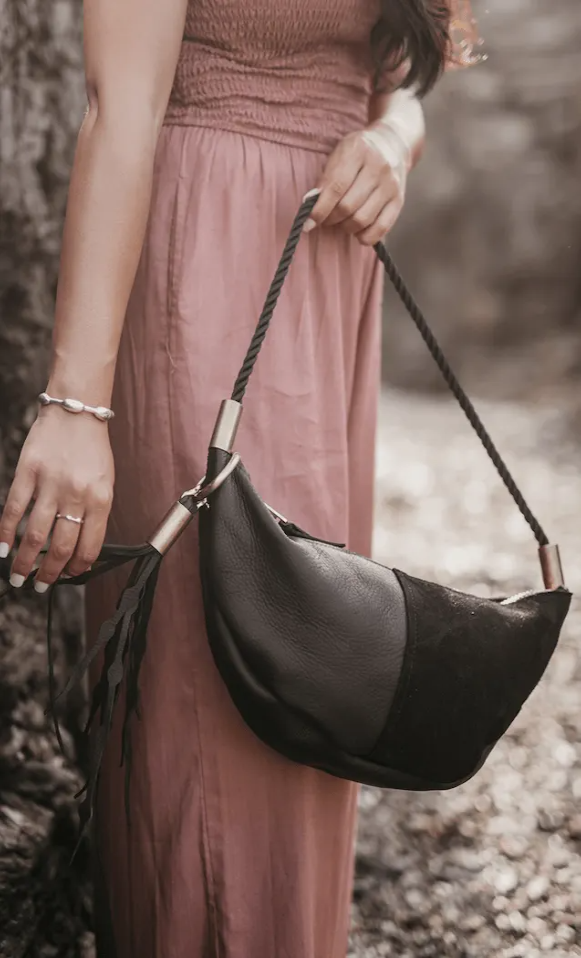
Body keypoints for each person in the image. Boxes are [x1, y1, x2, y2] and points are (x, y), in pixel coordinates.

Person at [0, 1, 478, 955]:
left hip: (326, 275)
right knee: (215, 675)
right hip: (203, 259)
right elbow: (118, 110)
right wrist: (76, 405)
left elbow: (396, 86)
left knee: (315, 665)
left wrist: (389, 138)